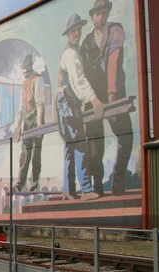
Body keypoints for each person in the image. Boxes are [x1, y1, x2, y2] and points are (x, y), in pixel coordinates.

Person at [80, 0, 133, 196]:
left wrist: (111, 97)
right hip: (93, 97)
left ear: (107, 13)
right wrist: (90, 100)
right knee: (94, 142)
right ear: (92, 15)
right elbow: (82, 73)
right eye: (96, 13)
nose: (99, 17)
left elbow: (114, 62)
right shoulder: (86, 42)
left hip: (114, 93)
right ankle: (97, 184)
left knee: (125, 135)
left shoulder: (115, 31)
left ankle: (118, 178)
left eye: (103, 13)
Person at [57, 13, 104, 201]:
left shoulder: (71, 52)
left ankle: (68, 189)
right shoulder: (70, 54)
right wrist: (94, 100)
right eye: (73, 31)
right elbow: (78, 81)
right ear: (68, 34)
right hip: (69, 103)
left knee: (69, 146)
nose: (76, 33)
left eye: (78, 30)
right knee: (79, 145)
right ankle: (85, 189)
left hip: (65, 104)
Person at [13, 54, 48, 193]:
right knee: (24, 153)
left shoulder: (38, 80)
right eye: (23, 71)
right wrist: (18, 126)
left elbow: (40, 103)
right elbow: (21, 108)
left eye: (27, 71)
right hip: (27, 119)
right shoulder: (24, 82)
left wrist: (39, 124)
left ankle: (34, 182)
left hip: (36, 117)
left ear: (30, 68)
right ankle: (20, 183)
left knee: (35, 153)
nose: (25, 74)